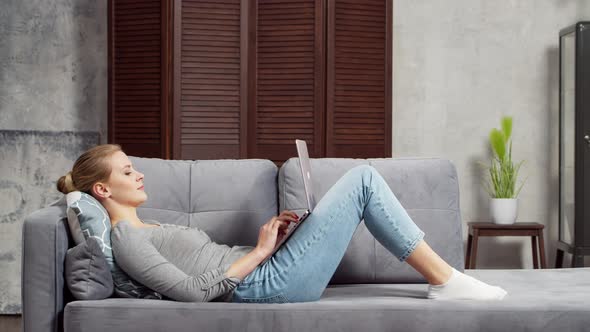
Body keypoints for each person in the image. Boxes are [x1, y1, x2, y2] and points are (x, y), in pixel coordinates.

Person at [57, 144, 507, 303]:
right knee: (364, 180)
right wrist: (259, 252)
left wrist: (279, 240)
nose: (138, 174)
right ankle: (445, 279)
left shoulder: (147, 226)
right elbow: (191, 294)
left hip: (267, 268)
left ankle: (445, 279)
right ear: (102, 190)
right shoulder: (126, 237)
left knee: (359, 183)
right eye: (126, 171)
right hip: (264, 284)